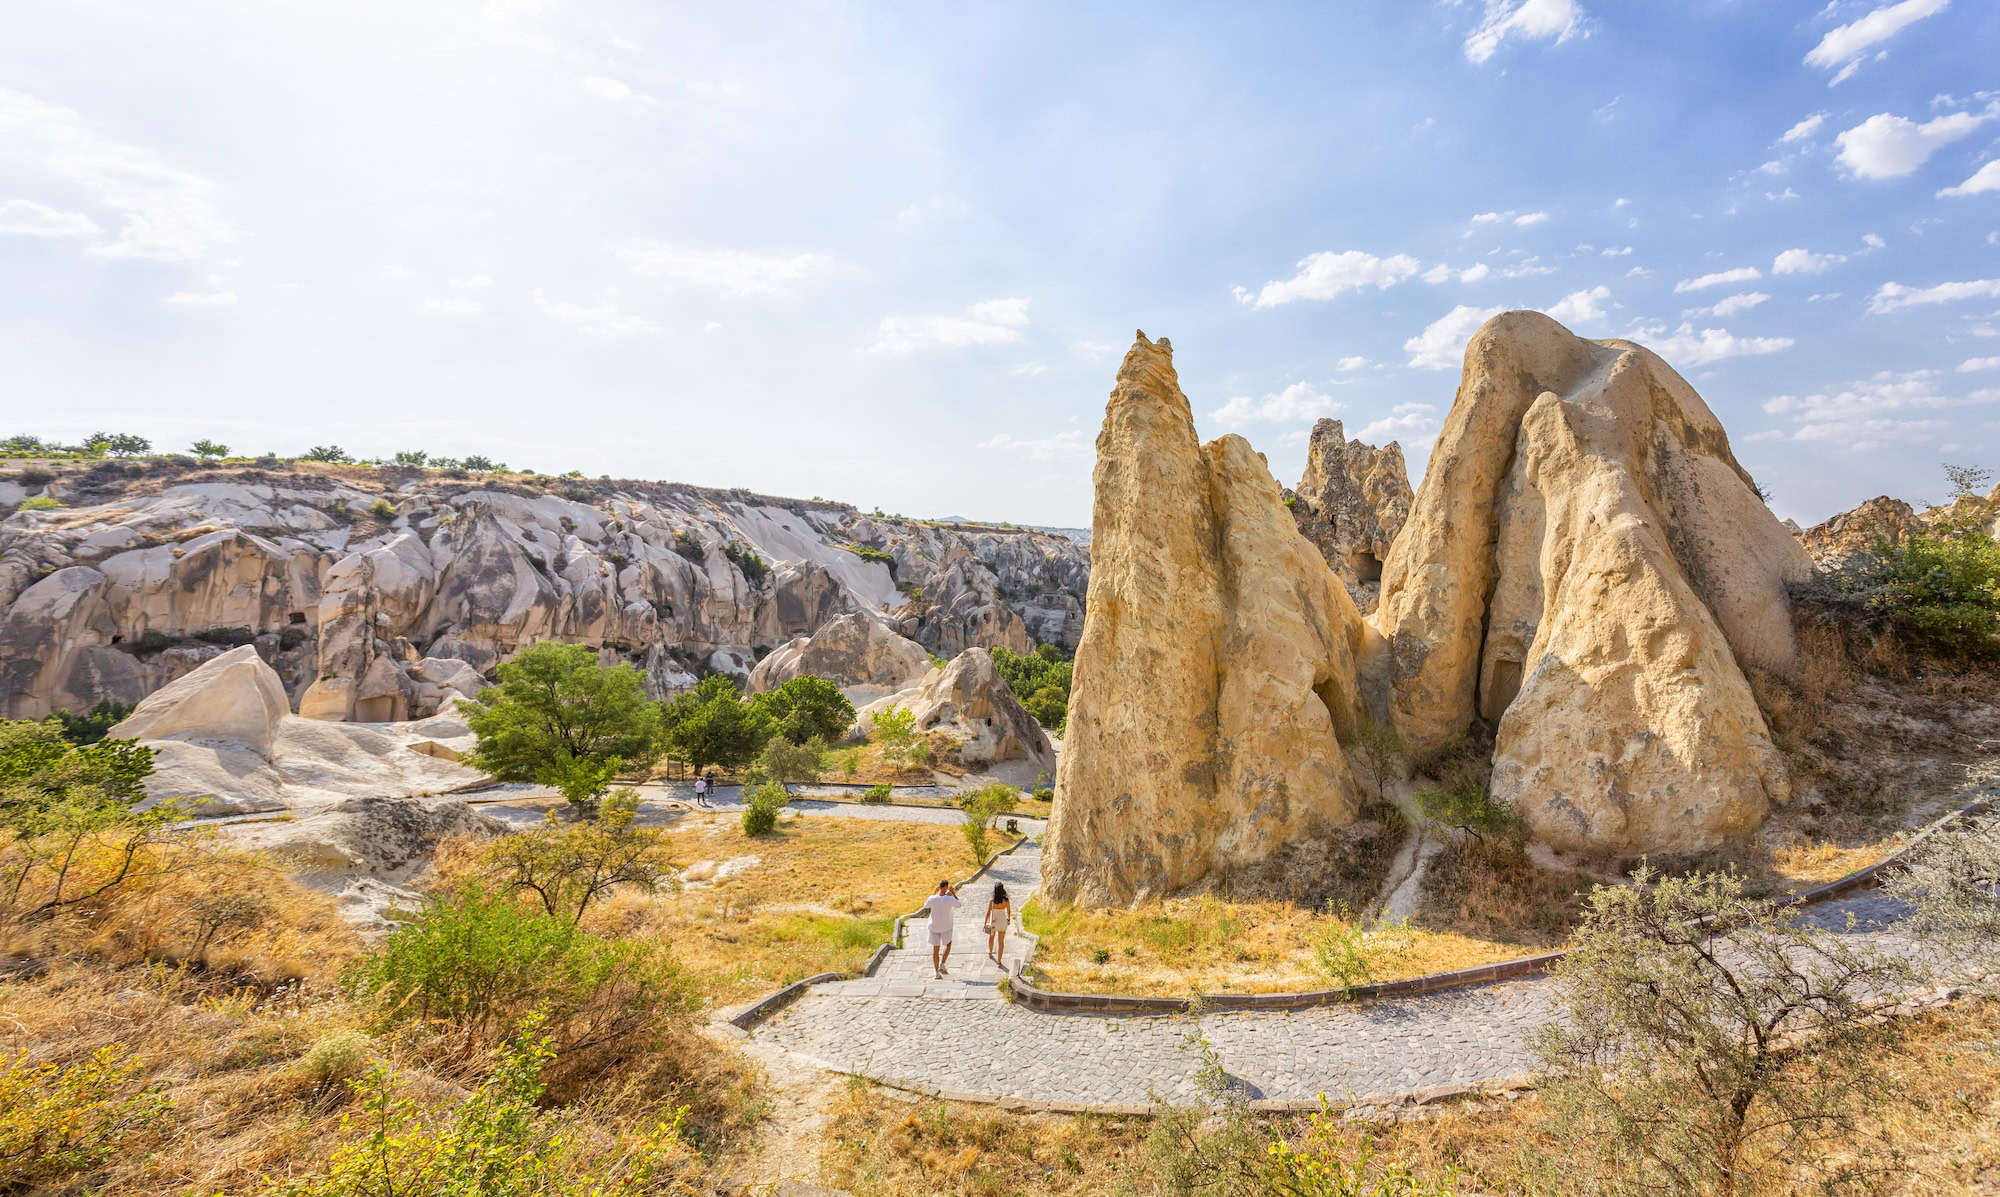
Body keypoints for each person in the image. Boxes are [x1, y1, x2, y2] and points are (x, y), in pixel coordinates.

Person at [921, 880, 961, 979]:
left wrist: (934, 893)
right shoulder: (949, 898)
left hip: (934, 926)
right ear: (946, 887)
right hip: (946, 926)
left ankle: (936, 972)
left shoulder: (932, 898)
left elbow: (926, 905)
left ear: (939, 887)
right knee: (948, 944)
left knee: (935, 949)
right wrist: (953, 893)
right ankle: (942, 963)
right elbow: (959, 904)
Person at [985, 882, 1011, 965]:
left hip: (994, 923)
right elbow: (1009, 911)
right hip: (1003, 922)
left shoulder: (992, 901)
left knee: (991, 938)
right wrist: (1008, 919)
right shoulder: (1006, 900)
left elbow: (988, 913)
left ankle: (990, 952)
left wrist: (985, 922)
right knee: (1001, 942)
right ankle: (999, 961)